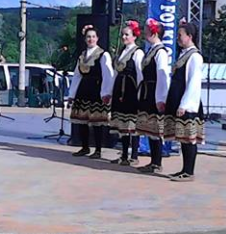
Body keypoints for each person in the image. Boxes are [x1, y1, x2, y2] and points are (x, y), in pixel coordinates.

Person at [164, 22, 205, 182]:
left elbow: (193, 82)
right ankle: (184, 169)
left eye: (180, 35)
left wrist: (185, 104)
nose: (178, 38)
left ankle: (189, 171)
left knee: (189, 139)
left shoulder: (195, 56)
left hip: (188, 104)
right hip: (179, 100)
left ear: (190, 36)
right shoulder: (184, 54)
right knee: (182, 138)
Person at [67, 24, 115, 159]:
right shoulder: (82, 55)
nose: (91, 39)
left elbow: (108, 74)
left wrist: (106, 92)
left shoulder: (103, 54)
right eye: (88, 37)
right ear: (85, 39)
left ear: (97, 38)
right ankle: (85, 147)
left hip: (96, 88)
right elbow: (77, 75)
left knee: (97, 121)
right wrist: (72, 94)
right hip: (83, 88)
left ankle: (98, 149)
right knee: (82, 120)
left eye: (93, 36)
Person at [135, 19, 171, 174]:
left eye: (147, 31)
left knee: (156, 128)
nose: (144, 33)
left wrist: (161, 98)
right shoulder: (151, 50)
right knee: (150, 128)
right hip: (147, 91)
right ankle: (153, 161)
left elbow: (163, 76)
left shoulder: (160, 52)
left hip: (154, 92)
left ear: (154, 33)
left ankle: (157, 162)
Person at [108, 20, 144, 165]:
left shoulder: (137, 52)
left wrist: (140, 94)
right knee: (122, 124)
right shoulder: (122, 52)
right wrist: (111, 91)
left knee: (132, 123)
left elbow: (140, 74)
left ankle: (134, 156)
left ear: (134, 36)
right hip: (119, 89)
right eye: (123, 35)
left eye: (127, 35)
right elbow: (115, 73)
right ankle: (123, 155)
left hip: (131, 89)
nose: (124, 37)